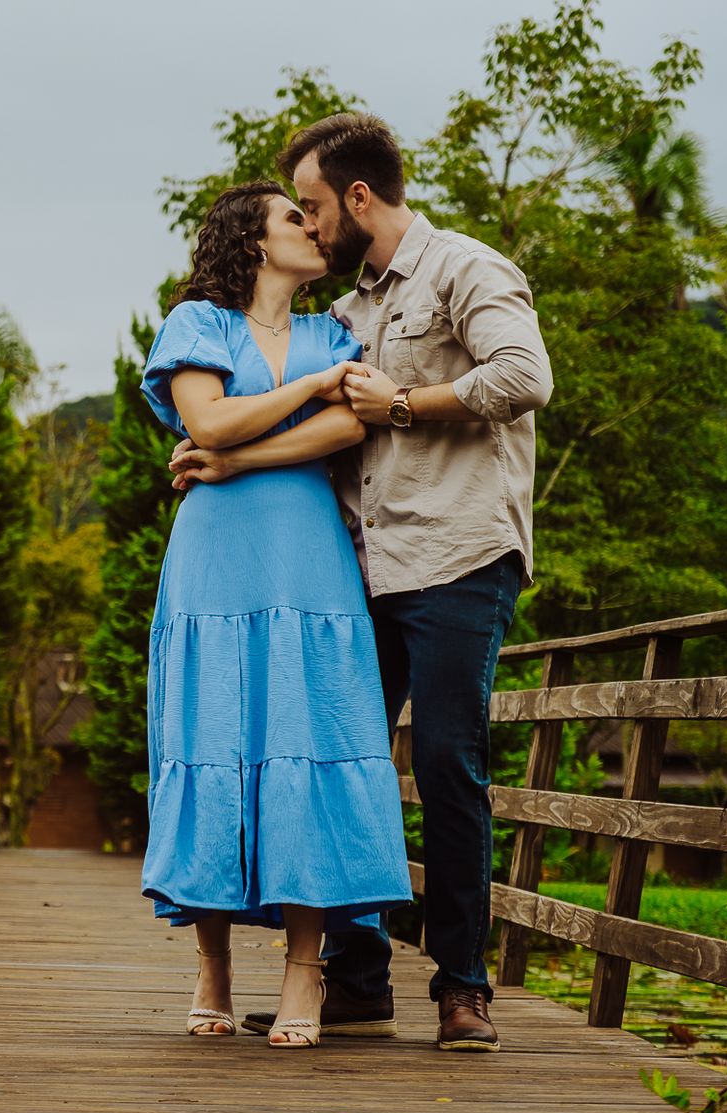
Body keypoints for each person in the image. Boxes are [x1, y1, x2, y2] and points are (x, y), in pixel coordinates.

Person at [221, 112, 553, 1052]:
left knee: (448, 764)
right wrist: (221, 458)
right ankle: (359, 983)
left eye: (318, 206)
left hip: (458, 559)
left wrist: (403, 402)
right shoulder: (347, 314)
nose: (313, 226)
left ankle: (462, 989)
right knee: (344, 771)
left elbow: (526, 376)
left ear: (360, 197)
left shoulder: (465, 270)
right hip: (360, 572)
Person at [139, 179, 413, 1048]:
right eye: (295, 217)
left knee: (308, 739)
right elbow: (207, 422)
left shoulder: (337, 332)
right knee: (215, 736)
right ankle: (212, 965)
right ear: (254, 242)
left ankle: (306, 972)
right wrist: (319, 388)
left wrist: (248, 452)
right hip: (216, 563)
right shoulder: (199, 325)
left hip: (309, 559)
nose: (314, 226)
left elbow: (346, 434)